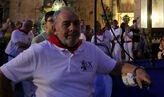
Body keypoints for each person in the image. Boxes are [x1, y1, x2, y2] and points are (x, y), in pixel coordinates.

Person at [0, 7, 151, 97]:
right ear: (55, 28)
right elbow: (4, 74)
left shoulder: (90, 49)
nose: (73, 28)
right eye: (66, 24)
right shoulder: (38, 51)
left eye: (76, 23)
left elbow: (116, 67)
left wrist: (136, 70)